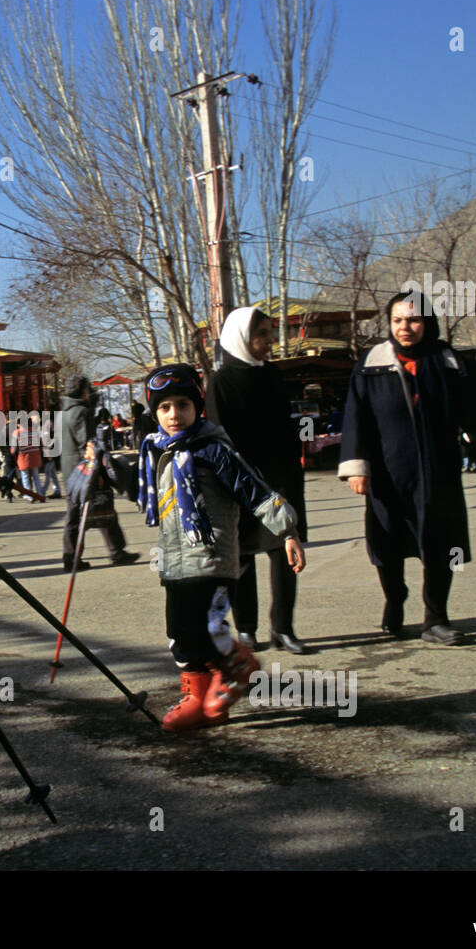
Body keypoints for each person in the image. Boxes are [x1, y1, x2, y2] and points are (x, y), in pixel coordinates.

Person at [137, 363, 304, 731]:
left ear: (198, 407)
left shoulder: (213, 449)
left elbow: (255, 490)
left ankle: (238, 668)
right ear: (154, 413)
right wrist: (94, 471)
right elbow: (139, 494)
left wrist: (288, 532)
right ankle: (198, 698)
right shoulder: (157, 451)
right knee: (180, 634)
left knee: (209, 627)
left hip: (212, 558)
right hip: (174, 562)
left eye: (182, 404)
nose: (173, 414)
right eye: (164, 408)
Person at [339, 291, 476, 645]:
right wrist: (357, 467)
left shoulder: (449, 362)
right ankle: (395, 598)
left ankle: (436, 618)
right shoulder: (372, 363)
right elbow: (356, 418)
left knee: (441, 543)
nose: (405, 327)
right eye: (397, 320)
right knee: (387, 544)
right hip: (388, 473)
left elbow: (474, 417)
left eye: (413, 320)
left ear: (427, 322)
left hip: (439, 471)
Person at [205, 306, 309, 654]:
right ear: (241, 337)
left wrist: (292, 474)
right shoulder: (221, 382)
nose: (268, 341)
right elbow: (219, 440)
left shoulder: (274, 376)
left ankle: (283, 627)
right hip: (241, 483)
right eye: (261, 334)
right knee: (243, 557)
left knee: (284, 551)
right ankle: (246, 628)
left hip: (281, 477)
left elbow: (286, 428)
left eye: (269, 333)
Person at [61, 439, 138, 571]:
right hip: (84, 473)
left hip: (82, 470)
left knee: (105, 514)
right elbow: (83, 438)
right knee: (77, 520)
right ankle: (72, 559)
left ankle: (116, 553)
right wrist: (96, 450)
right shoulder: (81, 422)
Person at [58, 376, 96, 480]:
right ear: (84, 391)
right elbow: (86, 444)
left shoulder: (62, 414)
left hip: (67, 466)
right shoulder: (82, 412)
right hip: (82, 467)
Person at [11, 411, 44, 498]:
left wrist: (12, 453)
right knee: (36, 476)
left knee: (25, 477)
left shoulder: (16, 433)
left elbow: (13, 449)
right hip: (35, 455)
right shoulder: (34, 431)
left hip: (23, 457)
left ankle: (29, 496)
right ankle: (39, 493)